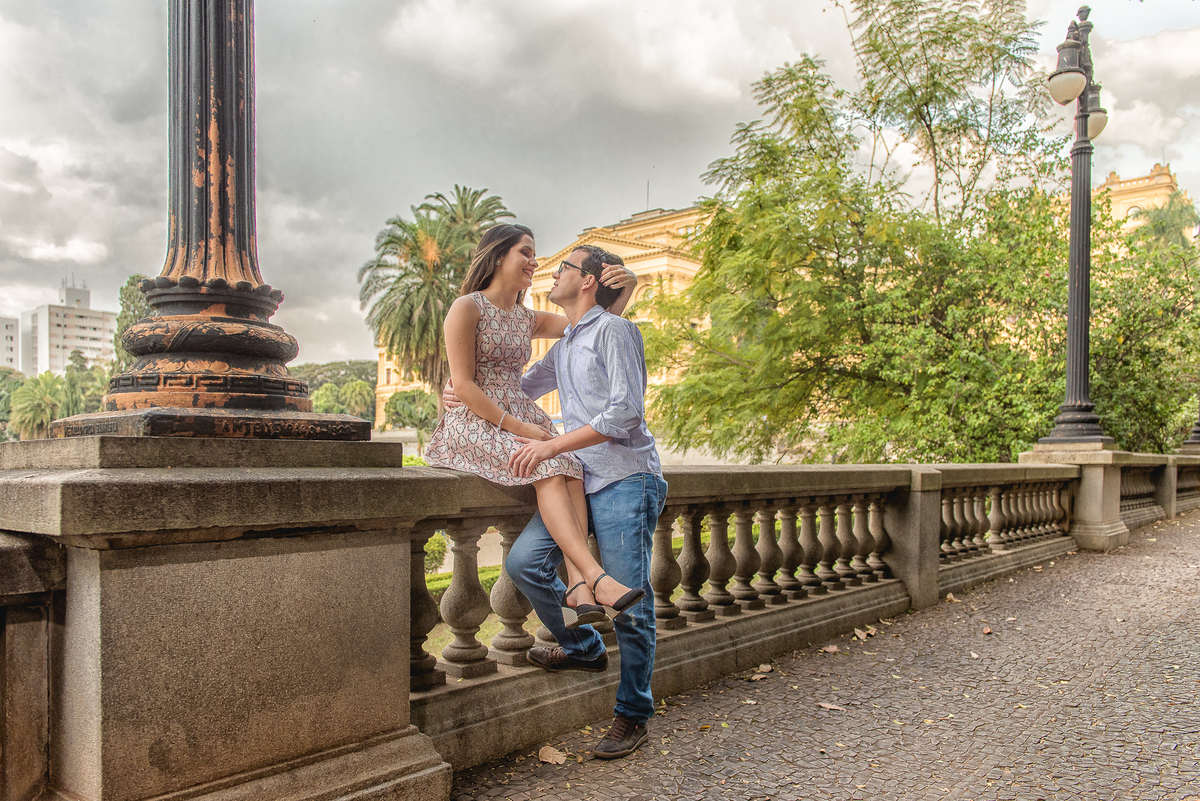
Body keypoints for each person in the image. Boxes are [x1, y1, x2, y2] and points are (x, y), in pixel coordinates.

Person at [424, 224, 645, 625]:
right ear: (497, 257)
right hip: (476, 419)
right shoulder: (467, 307)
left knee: (571, 464)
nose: (535, 262)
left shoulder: (526, 318)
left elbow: (591, 323)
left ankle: (578, 585)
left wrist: (624, 291)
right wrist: (522, 428)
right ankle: (596, 577)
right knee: (546, 461)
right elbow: (467, 384)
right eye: (525, 253)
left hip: (516, 413)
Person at [504, 244, 667, 761]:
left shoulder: (615, 331)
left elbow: (625, 415)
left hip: (623, 478)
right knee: (525, 563)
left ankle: (633, 713)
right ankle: (583, 648)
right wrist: (463, 391)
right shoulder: (569, 341)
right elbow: (522, 387)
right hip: (577, 478)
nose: (554, 274)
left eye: (565, 268)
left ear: (590, 281)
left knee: (628, 605)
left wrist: (551, 444)